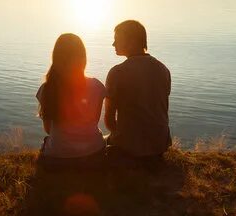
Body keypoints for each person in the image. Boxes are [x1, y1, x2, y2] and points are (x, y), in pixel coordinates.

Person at [104, 20, 171, 168]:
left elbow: (108, 119)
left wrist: (121, 137)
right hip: (160, 144)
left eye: (117, 39)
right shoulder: (163, 69)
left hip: (130, 148)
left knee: (94, 141)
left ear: (131, 41)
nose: (113, 44)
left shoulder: (117, 72)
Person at [36, 33, 106, 171]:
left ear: (56, 57)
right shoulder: (97, 86)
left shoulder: (47, 89)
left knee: (47, 143)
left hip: (58, 158)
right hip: (94, 154)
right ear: (83, 58)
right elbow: (95, 121)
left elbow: (48, 129)